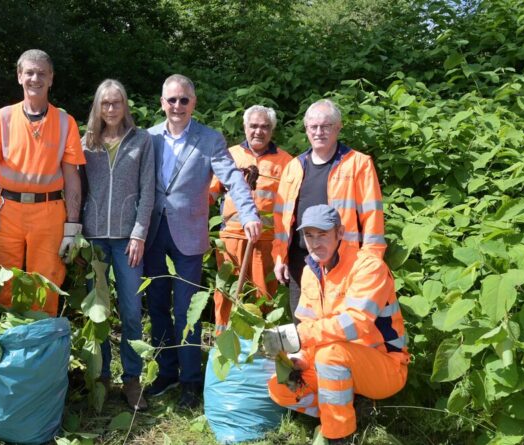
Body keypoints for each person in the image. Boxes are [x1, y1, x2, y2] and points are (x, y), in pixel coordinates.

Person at [143, 74, 261, 409]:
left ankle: (191, 381)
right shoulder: (147, 137)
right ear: (162, 103)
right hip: (153, 233)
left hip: (189, 237)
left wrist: (249, 213)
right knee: (157, 306)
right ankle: (166, 373)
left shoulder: (209, 139)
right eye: (171, 100)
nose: (177, 106)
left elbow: (232, 179)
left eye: (183, 100)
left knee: (188, 311)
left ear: (193, 103)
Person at [264, 205, 408, 444]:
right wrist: (300, 358)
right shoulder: (311, 272)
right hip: (333, 360)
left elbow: (356, 324)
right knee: (280, 387)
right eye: (309, 235)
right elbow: (311, 323)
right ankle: (345, 411)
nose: (315, 242)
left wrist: (298, 335)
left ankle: (338, 436)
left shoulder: (368, 267)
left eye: (322, 234)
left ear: (340, 233)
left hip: (384, 365)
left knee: (330, 356)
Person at [0, 49, 85, 316]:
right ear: (19, 77)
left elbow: (72, 177)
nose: (36, 78)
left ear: (51, 79)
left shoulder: (65, 122)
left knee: (46, 282)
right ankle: (1, 344)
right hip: (4, 211)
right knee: (1, 280)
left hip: (49, 212)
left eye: (42, 73)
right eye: (30, 73)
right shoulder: (3, 117)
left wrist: (72, 227)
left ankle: (40, 347)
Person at [272, 99, 385, 325]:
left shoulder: (358, 163)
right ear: (306, 129)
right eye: (313, 127)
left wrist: (372, 260)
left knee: (341, 326)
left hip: (343, 261)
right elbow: (281, 219)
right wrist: (279, 256)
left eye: (326, 126)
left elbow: (372, 215)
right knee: (303, 327)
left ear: (338, 127)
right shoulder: (294, 167)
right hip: (300, 262)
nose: (319, 132)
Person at [81, 79, 154, 410]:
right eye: (105, 104)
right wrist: (78, 234)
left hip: (128, 241)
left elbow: (148, 190)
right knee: (97, 312)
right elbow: (77, 189)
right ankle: (100, 377)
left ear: (126, 105)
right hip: (94, 238)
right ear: (98, 107)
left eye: (117, 103)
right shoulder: (87, 143)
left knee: (131, 311)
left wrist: (139, 233)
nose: (111, 109)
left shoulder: (142, 141)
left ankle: (132, 380)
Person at [209, 105, 292, 332]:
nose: (259, 131)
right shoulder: (230, 155)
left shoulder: (286, 161)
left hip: (266, 241)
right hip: (232, 238)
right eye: (253, 126)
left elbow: (291, 206)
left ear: (272, 130)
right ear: (245, 127)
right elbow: (210, 193)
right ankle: (223, 343)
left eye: (265, 127)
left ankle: (261, 347)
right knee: (227, 291)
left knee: (263, 294)